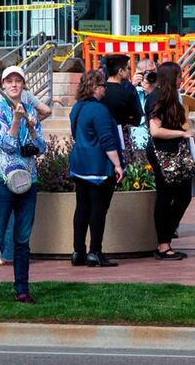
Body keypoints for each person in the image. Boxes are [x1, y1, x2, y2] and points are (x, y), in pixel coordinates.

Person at [0, 66, 46, 309]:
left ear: (23, 86)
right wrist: (16, 122)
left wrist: (30, 127)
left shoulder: (31, 111)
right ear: (4, 85)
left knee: (23, 239)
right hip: (3, 182)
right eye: (10, 81)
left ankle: (22, 289)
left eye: (18, 81)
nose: (14, 85)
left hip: (28, 181)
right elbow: (5, 145)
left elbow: (40, 147)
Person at [69, 70, 124, 268]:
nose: (104, 90)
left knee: (82, 207)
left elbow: (75, 133)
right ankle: (95, 251)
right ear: (94, 87)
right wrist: (118, 165)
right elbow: (108, 141)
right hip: (98, 166)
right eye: (102, 86)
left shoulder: (76, 108)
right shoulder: (99, 110)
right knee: (98, 210)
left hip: (79, 162)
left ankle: (78, 251)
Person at [145, 62, 195, 261]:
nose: (182, 79)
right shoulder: (157, 98)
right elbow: (155, 130)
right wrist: (182, 134)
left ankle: (165, 240)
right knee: (166, 196)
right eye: (179, 76)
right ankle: (163, 244)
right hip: (162, 153)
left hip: (174, 151)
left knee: (183, 196)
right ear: (171, 77)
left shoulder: (172, 97)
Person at [101, 54, 143, 128]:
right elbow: (137, 119)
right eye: (128, 68)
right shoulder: (127, 92)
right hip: (121, 133)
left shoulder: (100, 91)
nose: (129, 71)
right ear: (120, 71)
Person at [130, 58, 157, 150]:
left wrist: (153, 92)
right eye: (145, 73)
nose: (148, 76)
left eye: (152, 72)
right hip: (138, 140)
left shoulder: (163, 91)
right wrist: (132, 86)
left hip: (156, 142)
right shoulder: (133, 91)